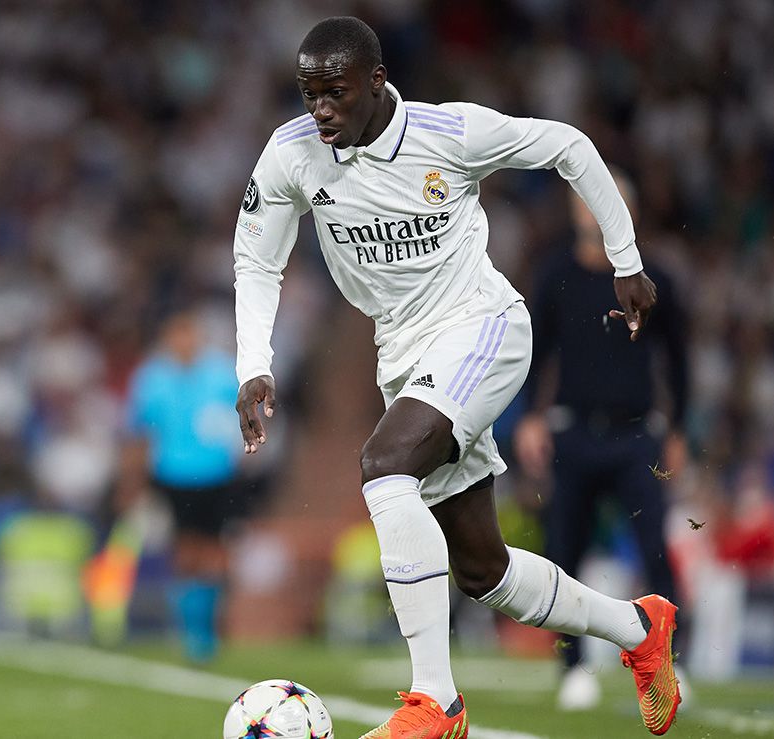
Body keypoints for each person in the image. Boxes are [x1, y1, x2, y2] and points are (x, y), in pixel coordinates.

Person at [233, 17, 679, 738]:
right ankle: (639, 627)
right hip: (402, 352)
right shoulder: (292, 153)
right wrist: (254, 364)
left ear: (377, 82)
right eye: (309, 94)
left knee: (384, 465)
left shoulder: (450, 133)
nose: (320, 110)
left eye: (335, 93)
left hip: (481, 325)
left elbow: (569, 145)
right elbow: (257, 260)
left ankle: (435, 701)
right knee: (482, 570)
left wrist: (624, 259)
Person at [515, 171, 689, 711]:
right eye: (589, 200)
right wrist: (530, 417)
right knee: (563, 552)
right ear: (575, 210)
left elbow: (678, 358)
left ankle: (672, 661)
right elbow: (533, 350)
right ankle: (572, 667)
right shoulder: (556, 274)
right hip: (572, 432)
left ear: (629, 212)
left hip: (637, 435)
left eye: (609, 200)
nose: (597, 210)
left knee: (656, 549)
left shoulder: (654, 277)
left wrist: (678, 428)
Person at [123, 308, 243, 662]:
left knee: (216, 551)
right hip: (173, 474)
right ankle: (192, 631)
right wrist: (133, 481)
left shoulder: (221, 373)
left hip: (217, 474)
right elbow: (140, 431)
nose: (184, 342)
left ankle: (209, 627)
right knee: (184, 550)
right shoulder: (152, 377)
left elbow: (243, 419)